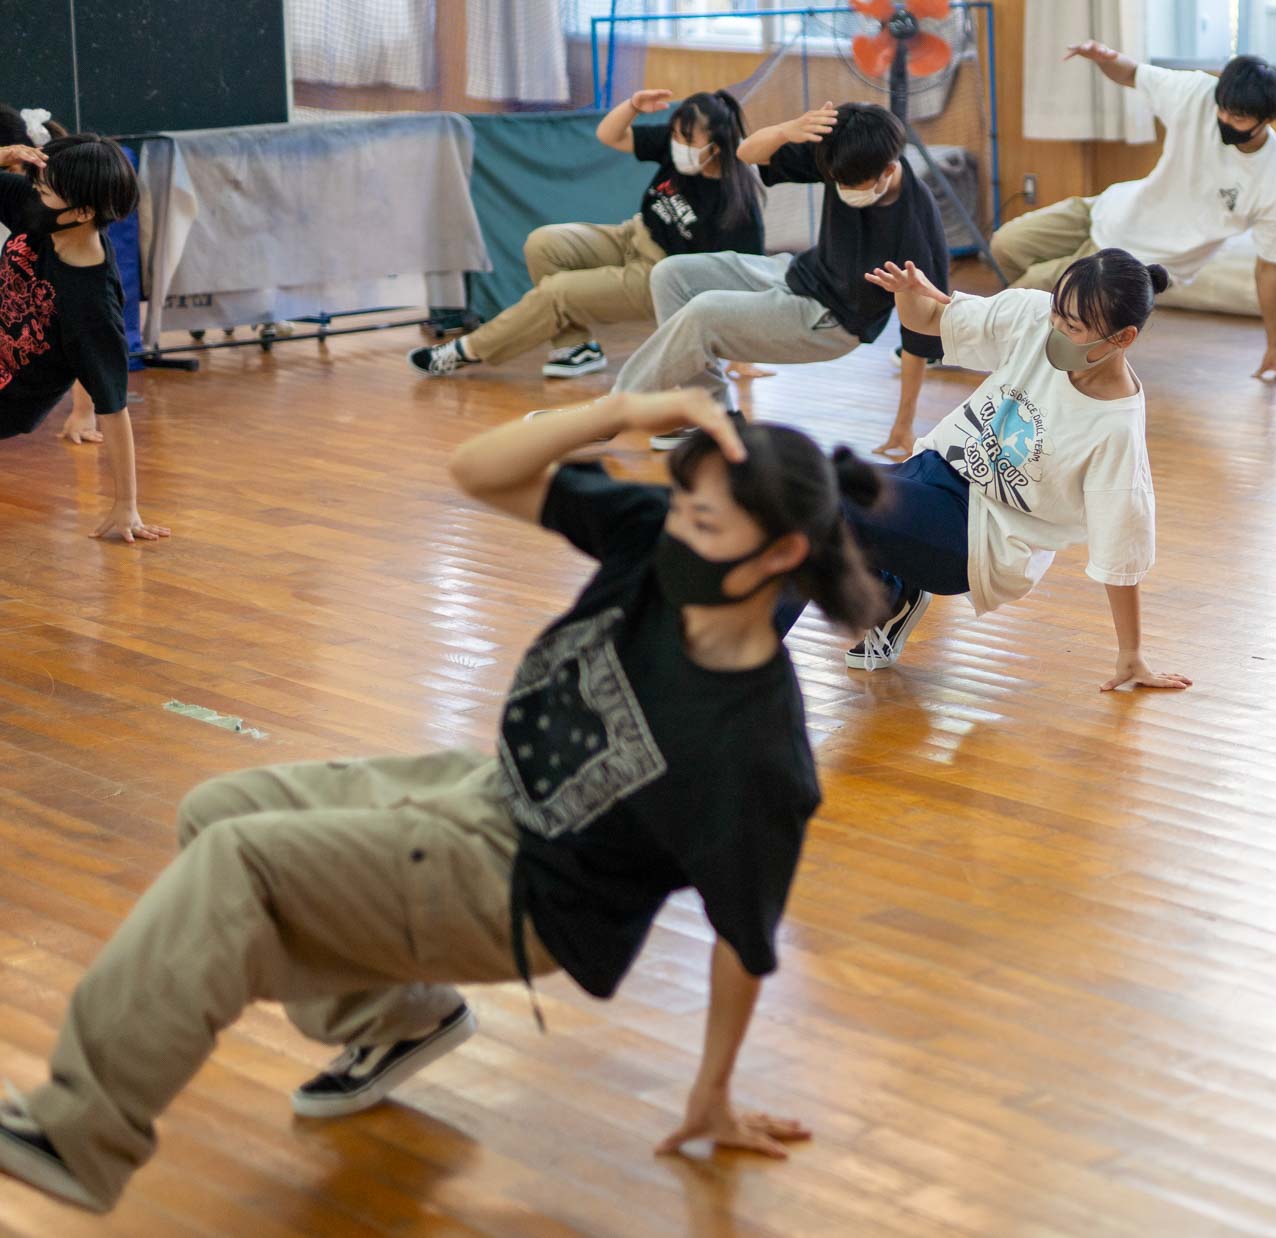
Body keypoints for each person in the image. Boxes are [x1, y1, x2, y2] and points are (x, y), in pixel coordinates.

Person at [0, 387, 890, 1214]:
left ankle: (81, 1138)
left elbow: (743, 936)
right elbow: (479, 469)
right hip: (488, 788)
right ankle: (398, 1020)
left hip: (531, 897)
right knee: (216, 812)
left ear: (782, 553)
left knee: (242, 869)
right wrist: (623, 407)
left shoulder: (757, 751)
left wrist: (713, 1092)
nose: (679, 526)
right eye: (682, 504)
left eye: (706, 521)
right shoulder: (652, 543)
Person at [780, 248, 1191, 692]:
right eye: (1057, 313)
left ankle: (750, 670)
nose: (1055, 328)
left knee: (820, 505)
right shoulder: (1035, 317)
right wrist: (909, 294)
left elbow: (1121, 551)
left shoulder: (1115, 428)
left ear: (1122, 337)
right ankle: (893, 594)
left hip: (981, 537)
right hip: (930, 472)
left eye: (1073, 327)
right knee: (797, 484)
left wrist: (1131, 654)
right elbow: (929, 319)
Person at [608, 102, 949, 458]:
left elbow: (918, 335)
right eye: (837, 181)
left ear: (889, 170)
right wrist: (787, 130)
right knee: (670, 274)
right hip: (797, 273)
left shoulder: (915, 229)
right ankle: (713, 415)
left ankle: (610, 412)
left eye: (851, 185)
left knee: (703, 314)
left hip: (832, 320)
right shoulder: (846, 155)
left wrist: (903, 424)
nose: (842, 189)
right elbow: (746, 153)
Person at [992, 44, 1276, 385]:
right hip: (1110, 209)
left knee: (1033, 286)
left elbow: (1269, 267)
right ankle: (1034, 342)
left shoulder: (1274, 176)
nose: (1225, 120)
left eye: (1238, 117)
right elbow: (1132, 73)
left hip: (1140, 259)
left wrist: (1275, 349)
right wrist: (1105, 58)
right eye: (1223, 109)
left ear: (1268, 118)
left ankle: (1012, 355)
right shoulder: (1200, 94)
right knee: (1004, 245)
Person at [409, 88, 770, 382]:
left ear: (715, 147)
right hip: (633, 235)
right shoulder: (675, 149)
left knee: (558, 293)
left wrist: (742, 356)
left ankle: (466, 351)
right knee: (544, 245)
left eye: (685, 138)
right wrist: (632, 106)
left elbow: (745, 279)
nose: (676, 143)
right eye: (674, 134)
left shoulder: (736, 205)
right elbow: (609, 135)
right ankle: (576, 347)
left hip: (661, 277)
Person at [0, 135, 167, 544]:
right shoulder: (41, 208)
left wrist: (126, 504)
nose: (33, 194)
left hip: (10, 397)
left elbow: (114, 404)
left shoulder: (92, 302)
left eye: (44, 191)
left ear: (83, 211)